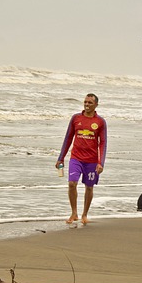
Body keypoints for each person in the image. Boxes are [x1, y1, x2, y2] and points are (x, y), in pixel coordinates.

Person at [56, 93, 107, 225]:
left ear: (96, 105)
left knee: (89, 187)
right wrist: (61, 158)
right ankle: (74, 213)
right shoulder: (76, 118)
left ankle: (85, 214)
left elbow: (103, 143)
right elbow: (68, 138)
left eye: (90, 102)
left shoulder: (100, 122)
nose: (86, 104)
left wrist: (101, 163)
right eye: (85, 102)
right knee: (72, 184)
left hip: (91, 160)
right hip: (76, 158)